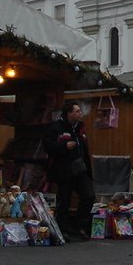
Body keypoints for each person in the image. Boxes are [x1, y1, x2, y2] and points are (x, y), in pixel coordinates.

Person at [43, 100, 95, 241]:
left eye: (80, 111)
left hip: (80, 169)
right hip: (64, 169)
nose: (80, 113)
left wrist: (89, 172)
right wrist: (64, 146)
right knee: (64, 201)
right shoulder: (56, 128)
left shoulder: (80, 128)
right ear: (69, 113)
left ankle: (80, 226)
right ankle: (64, 229)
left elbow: (85, 150)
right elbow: (47, 146)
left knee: (89, 195)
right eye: (77, 111)